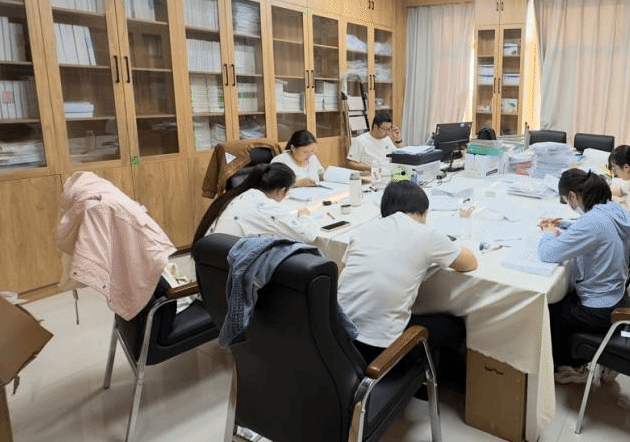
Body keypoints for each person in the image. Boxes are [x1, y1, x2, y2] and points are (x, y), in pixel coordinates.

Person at [338, 180, 478, 388]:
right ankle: (437, 380)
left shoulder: (363, 230)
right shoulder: (426, 234)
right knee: (453, 326)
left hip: (341, 343)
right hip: (380, 354)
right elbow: (470, 263)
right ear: (422, 212)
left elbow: (342, 277)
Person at [538, 168, 630, 384]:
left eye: (567, 200)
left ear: (573, 196)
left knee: (551, 310)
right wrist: (563, 224)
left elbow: (547, 254)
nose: (569, 204)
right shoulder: (613, 208)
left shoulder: (592, 223)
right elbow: (589, 226)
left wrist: (548, 234)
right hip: (616, 295)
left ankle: (572, 367)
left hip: (600, 308)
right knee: (564, 296)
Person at [193, 162, 324, 244]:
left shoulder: (243, 195)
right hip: (232, 270)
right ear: (281, 191)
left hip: (211, 267)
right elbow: (307, 235)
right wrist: (304, 215)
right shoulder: (265, 206)